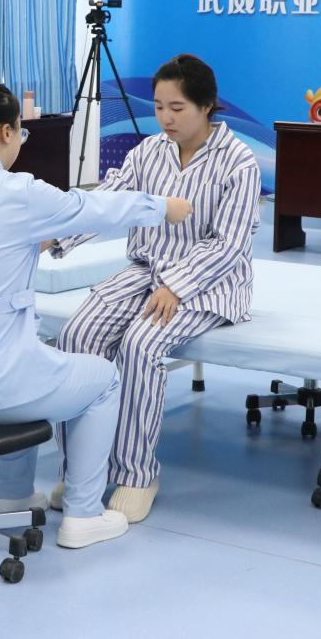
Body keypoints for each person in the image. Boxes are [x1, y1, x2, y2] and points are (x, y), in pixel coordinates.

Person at [0, 80, 193, 548]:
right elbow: (91, 207)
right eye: (21, 133)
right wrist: (163, 207)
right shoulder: (15, 192)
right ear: (6, 131)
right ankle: (84, 514)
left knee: (29, 360)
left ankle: (12, 497)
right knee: (103, 380)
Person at [51, 55, 260, 523]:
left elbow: (229, 244)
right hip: (146, 269)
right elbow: (111, 202)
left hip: (210, 281)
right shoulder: (148, 151)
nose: (166, 117)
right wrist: (57, 235)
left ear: (207, 106)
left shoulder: (239, 162)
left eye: (177, 108)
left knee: (141, 344)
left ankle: (136, 474)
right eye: (160, 106)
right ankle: (82, 469)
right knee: (77, 335)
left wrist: (178, 286)